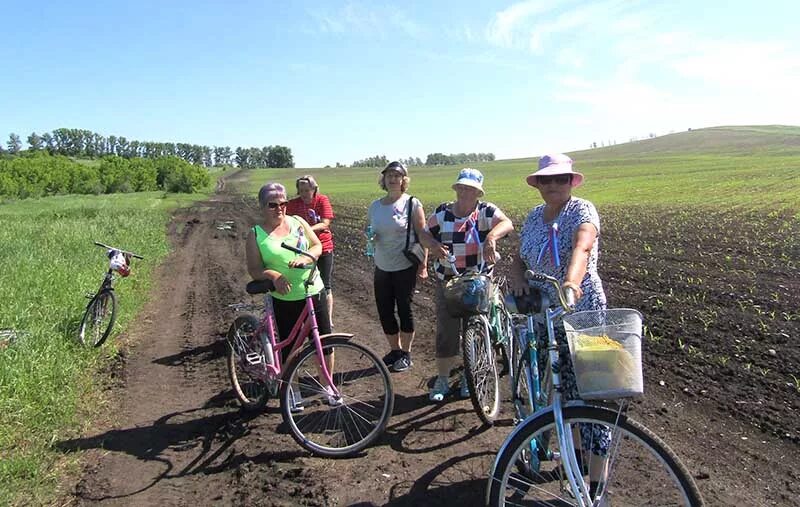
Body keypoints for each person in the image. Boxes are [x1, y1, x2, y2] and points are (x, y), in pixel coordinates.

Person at [509, 153, 609, 498]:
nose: (553, 185)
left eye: (560, 179)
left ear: (571, 182)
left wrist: (570, 283)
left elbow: (582, 246)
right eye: (546, 180)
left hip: (582, 312)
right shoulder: (534, 216)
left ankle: (594, 489)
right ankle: (576, 471)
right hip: (545, 317)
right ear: (538, 185)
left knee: (593, 396)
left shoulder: (582, 210)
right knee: (565, 395)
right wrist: (518, 277)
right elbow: (520, 256)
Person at [423, 168, 513, 402]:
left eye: (470, 189)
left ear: (478, 192)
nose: (465, 192)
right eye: (461, 187)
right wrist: (432, 245)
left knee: (477, 330)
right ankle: (443, 379)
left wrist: (491, 238)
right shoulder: (443, 212)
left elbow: (507, 223)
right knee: (447, 331)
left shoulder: (485, 211)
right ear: (456, 189)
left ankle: (470, 376)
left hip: (478, 280)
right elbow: (424, 234)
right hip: (449, 281)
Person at [245, 182, 336, 410]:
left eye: (283, 203)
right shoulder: (256, 234)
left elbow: (317, 246)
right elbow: (254, 269)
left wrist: (307, 258)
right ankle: (292, 391)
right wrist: (273, 275)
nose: (279, 209)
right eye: (272, 205)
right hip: (284, 297)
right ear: (262, 207)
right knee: (290, 348)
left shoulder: (298, 222)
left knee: (324, 343)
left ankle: (328, 387)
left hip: (313, 289)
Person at [367, 161, 428, 373]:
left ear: (404, 180)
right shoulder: (375, 206)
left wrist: (423, 265)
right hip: (382, 265)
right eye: (389, 176)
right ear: (383, 180)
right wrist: (371, 238)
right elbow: (371, 232)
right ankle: (395, 351)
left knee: (404, 309)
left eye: (397, 175)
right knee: (384, 310)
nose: (393, 179)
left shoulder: (412, 203)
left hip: (405, 265)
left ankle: (406, 354)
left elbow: (423, 235)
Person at [286, 175, 336, 325]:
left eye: (307, 190)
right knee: (304, 283)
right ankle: (306, 318)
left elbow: (325, 223)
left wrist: (307, 230)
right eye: (301, 190)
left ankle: (328, 320)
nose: (304, 193)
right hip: (303, 251)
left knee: (325, 285)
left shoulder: (321, 200)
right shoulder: (293, 204)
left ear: (314, 189)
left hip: (324, 247)